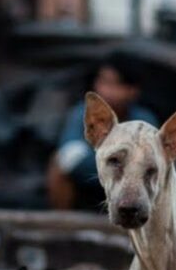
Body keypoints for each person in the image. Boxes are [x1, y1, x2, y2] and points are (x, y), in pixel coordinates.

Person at [48, 57, 157, 211]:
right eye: (102, 81)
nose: (105, 90)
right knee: (58, 164)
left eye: (114, 84)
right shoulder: (82, 114)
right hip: (92, 180)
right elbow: (70, 155)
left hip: (132, 189)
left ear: (132, 90)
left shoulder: (144, 120)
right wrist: (119, 167)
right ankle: (62, 220)